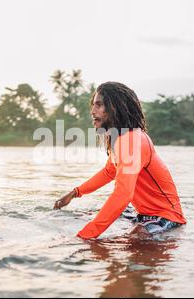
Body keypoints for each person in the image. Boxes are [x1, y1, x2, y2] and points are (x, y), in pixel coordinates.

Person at [54, 82, 186, 239]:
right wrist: (75, 192)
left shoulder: (131, 141)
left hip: (168, 216)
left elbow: (123, 194)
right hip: (142, 214)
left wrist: (83, 237)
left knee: (136, 237)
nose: (92, 111)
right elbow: (109, 172)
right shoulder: (121, 139)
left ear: (115, 108)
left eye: (99, 105)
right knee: (86, 214)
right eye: (93, 105)